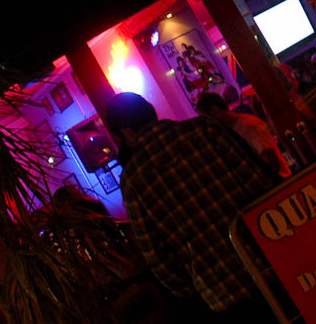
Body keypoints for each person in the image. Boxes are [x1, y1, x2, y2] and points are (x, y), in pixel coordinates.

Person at [103, 92, 279, 321]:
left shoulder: (132, 180)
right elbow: (260, 185)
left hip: (221, 292)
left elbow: (156, 256)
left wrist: (194, 288)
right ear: (150, 111)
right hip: (270, 264)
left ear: (126, 131)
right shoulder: (205, 129)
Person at [195, 91, 292, 178]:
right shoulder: (232, 129)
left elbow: (273, 162)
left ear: (215, 111)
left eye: (205, 119)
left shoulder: (250, 125)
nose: (207, 124)